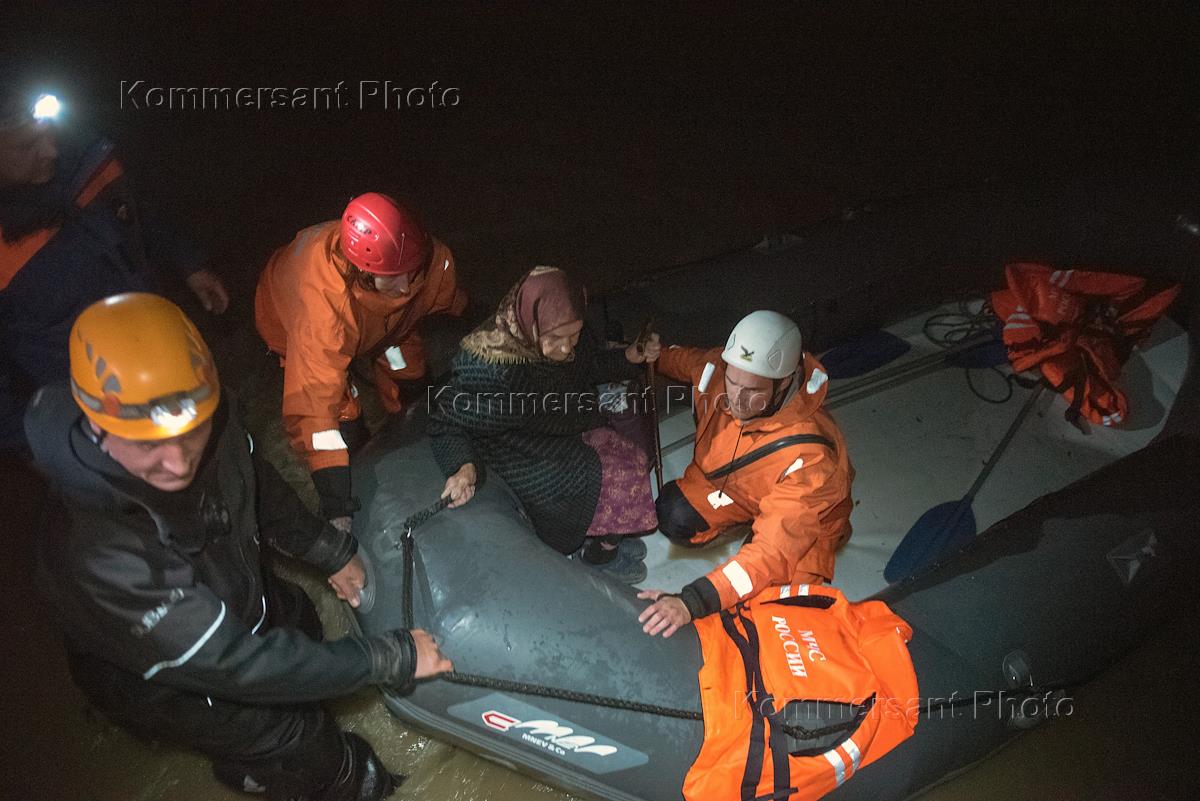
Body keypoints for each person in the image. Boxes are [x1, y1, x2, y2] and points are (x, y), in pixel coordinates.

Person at [26, 293, 452, 801]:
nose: (178, 462)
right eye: (148, 445)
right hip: (190, 681)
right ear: (98, 424)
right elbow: (236, 664)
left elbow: (255, 484)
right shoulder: (93, 553)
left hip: (240, 594)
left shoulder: (213, 418)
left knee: (304, 621)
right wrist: (388, 657)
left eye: (192, 432)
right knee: (313, 753)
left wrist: (328, 551)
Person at [0, 84, 228, 453]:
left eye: (49, 133)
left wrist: (190, 264)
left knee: (224, 446)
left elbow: (140, 209)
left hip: (166, 354)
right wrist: (37, 444)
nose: (51, 151)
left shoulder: (86, 157)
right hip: (96, 418)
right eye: (27, 146)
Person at [427, 266, 661, 583]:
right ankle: (598, 553)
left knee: (634, 458)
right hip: (518, 448)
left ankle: (604, 534)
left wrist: (629, 356)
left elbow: (587, 367)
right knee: (612, 476)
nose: (565, 349)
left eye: (574, 337)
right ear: (530, 322)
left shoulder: (568, 328)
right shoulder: (491, 365)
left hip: (565, 423)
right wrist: (463, 465)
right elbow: (445, 421)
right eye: (554, 339)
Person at [255, 192, 467, 531]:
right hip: (296, 324)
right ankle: (361, 471)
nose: (406, 286)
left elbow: (443, 296)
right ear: (362, 271)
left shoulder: (424, 257)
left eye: (411, 270)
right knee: (342, 417)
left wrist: (475, 318)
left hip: (384, 327)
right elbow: (314, 409)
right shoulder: (322, 310)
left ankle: (416, 443)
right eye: (393, 276)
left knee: (409, 375)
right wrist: (337, 503)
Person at [638, 310, 855, 636]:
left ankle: (814, 540)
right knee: (673, 513)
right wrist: (651, 354)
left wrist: (693, 602)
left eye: (752, 390)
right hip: (734, 489)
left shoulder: (811, 459)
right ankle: (748, 525)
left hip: (802, 524)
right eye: (732, 381)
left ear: (783, 383)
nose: (735, 398)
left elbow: (772, 553)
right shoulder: (722, 369)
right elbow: (685, 361)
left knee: (775, 609)